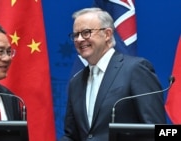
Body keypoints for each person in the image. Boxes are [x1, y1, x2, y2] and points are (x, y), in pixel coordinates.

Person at [59, 7, 166, 141]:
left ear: (107, 34)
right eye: (76, 35)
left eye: (86, 33)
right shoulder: (76, 82)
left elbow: (156, 130)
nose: (79, 39)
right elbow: (71, 135)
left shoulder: (135, 70)